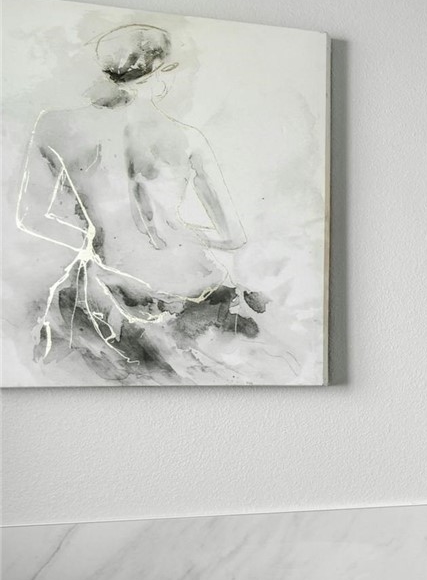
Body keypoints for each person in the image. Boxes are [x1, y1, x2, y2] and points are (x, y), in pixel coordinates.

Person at [13, 22, 266, 381]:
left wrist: (92, 237)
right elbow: (234, 238)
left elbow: (31, 217)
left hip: (112, 282)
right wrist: (183, 232)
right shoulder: (188, 139)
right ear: (162, 73)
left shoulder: (55, 127)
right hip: (192, 284)